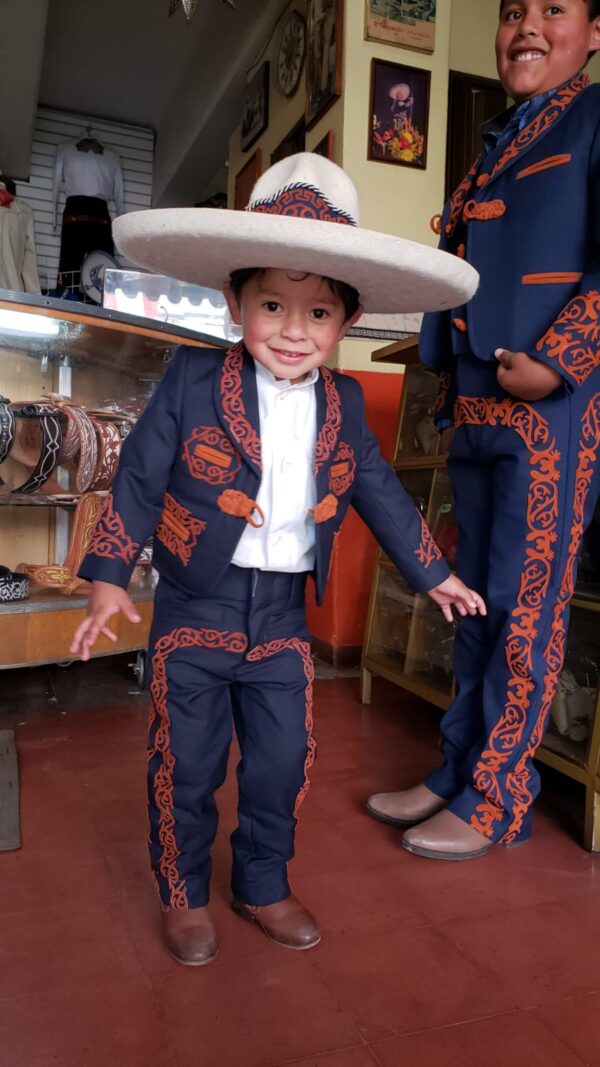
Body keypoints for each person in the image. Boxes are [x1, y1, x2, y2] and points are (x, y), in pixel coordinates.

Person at [70, 152, 482, 965]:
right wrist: (109, 579)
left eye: (319, 312)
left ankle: (262, 881)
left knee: (283, 761)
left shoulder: (346, 401)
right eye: (272, 304)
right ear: (234, 302)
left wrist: (436, 573)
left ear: (347, 320)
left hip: (285, 615)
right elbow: (141, 476)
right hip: (197, 605)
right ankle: (185, 891)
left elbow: (382, 493)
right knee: (184, 761)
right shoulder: (191, 379)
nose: (295, 330)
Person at [367, 0, 600, 860]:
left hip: (553, 408)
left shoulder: (595, 115)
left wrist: (562, 356)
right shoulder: (498, 138)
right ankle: (457, 769)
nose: (526, 28)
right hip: (473, 402)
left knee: (526, 603)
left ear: (595, 32)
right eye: (511, 13)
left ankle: (499, 798)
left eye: (553, 9)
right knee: (471, 601)